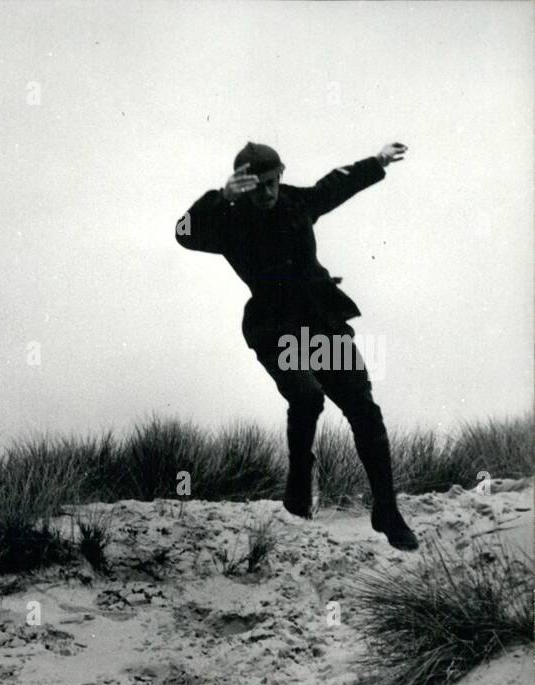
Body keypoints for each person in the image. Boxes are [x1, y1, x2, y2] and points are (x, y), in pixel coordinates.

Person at [176, 141, 419, 550]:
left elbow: (335, 186)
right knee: (306, 396)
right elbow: (183, 233)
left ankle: (386, 508)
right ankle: (298, 489)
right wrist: (220, 197)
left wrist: (376, 161)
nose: (268, 194)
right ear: (243, 187)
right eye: (258, 188)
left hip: (321, 320)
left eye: (272, 183)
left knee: (363, 407)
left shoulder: (295, 203)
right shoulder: (228, 222)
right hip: (277, 329)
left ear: (280, 176)